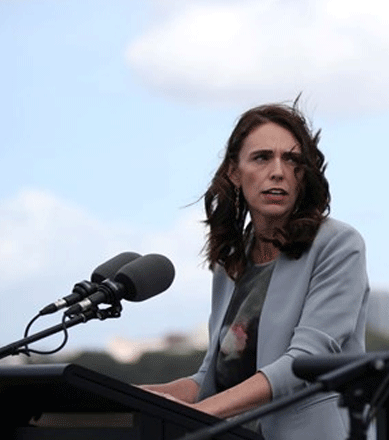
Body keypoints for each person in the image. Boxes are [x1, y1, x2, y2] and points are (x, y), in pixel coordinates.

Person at [141, 100, 370, 439]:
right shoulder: (231, 258)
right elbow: (213, 377)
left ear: (303, 174)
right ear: (235, 173)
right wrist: (127, 398)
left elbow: (304, 363)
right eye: (262, 158)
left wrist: (199, 415)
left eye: (291, 160)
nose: (278, 171)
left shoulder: (338, 244)